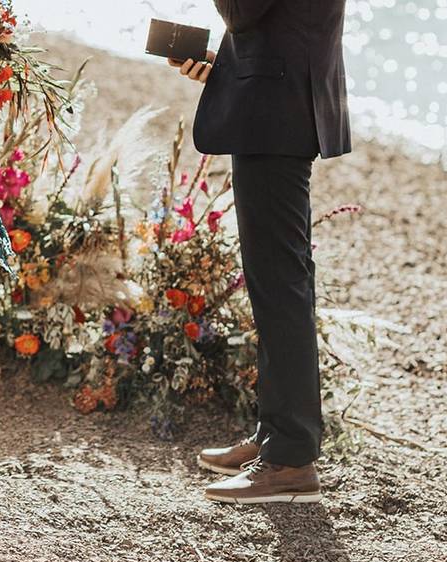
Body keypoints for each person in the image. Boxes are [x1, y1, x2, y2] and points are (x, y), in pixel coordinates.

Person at [169, 0, 351, 504]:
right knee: (279, 282)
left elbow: (241, 9)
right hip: (280, 102)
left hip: (280, 112)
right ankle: (278, 435)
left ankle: (290, 461)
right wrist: (222, 67)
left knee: (280, 285)